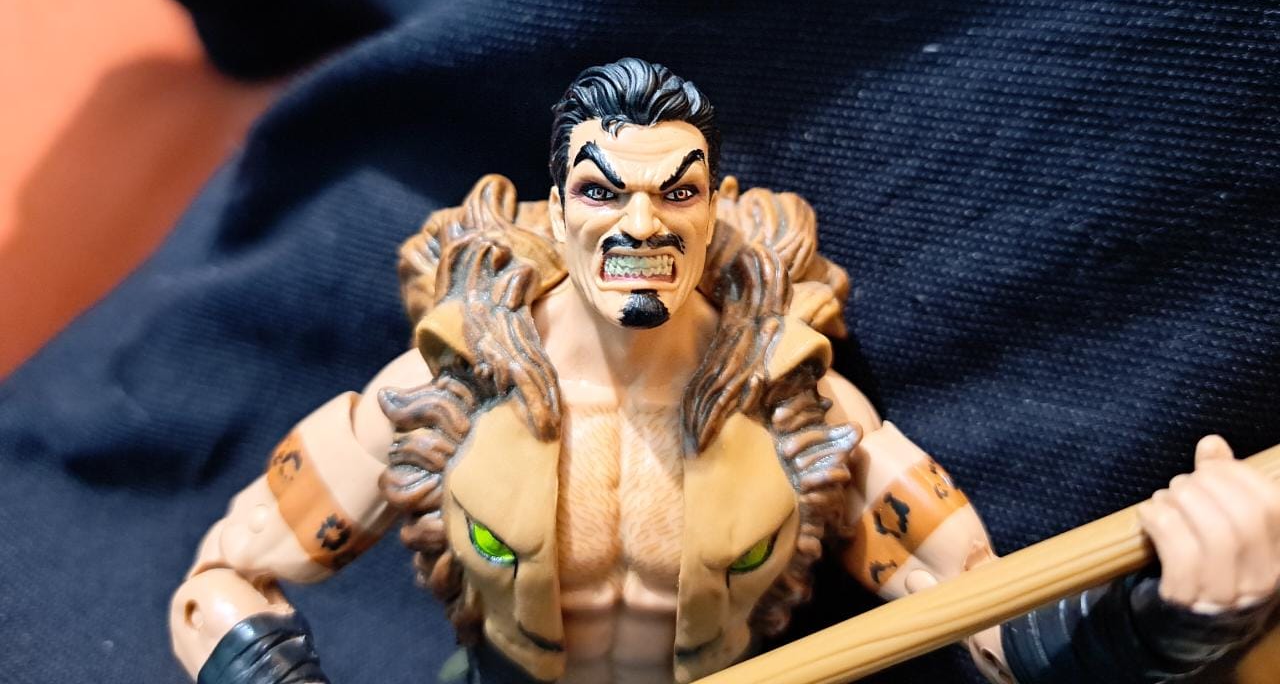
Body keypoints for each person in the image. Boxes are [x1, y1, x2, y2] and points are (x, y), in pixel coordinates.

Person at [170, 58, 1279, 684]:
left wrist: (1175, 616)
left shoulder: (799, 406)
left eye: (676, 192)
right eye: (602, 191)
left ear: (712, 210)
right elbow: (218, 585)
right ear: (559, 208)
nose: (639, 224)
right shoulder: (445, 387)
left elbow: (988, 625)